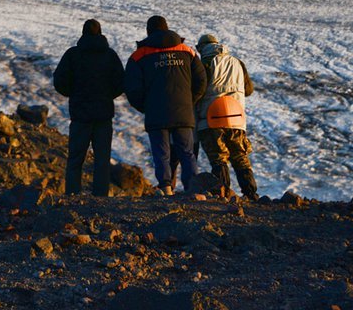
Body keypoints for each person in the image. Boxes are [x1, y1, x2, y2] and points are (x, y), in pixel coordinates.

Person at [123, 15, 206, 195]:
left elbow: (131, 87)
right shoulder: (187, 51)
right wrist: (189, 101)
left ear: (148, 31)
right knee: (187, 151)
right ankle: (193, 189)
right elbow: (201, 80)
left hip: (156, 112)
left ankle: (166, 188)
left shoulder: (139, 55)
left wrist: (146, 106)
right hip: (183, 111)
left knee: (162, 153)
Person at [52, 18, 125, 196]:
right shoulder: (110, 55)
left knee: (76, 159)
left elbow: (59, 81)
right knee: (102, 160)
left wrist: (73, 94)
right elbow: (121, 82)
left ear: (83, 33)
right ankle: (100, 197)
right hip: (103, 115)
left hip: (80, 114)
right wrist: (108, 95)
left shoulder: (72, 55)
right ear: (100, 33)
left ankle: (72, 195)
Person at [194, 34, 259, 200]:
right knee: (240, 156)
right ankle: (251, 193)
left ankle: (223, 194)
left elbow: (198, 90)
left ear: (201, 48)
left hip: (211, 118)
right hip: (236, 117)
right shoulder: (237, 62)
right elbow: (249, 90)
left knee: (218, 158)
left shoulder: (204, 64)